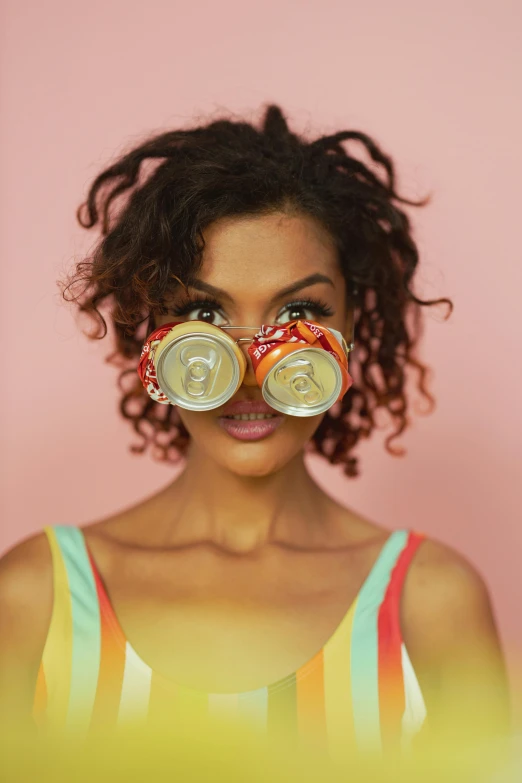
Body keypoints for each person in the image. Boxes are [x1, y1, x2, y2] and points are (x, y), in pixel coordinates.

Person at [0, 105, 509, 757]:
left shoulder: (431, 601)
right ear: (153, 334)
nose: (249, 371)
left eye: (299, 311)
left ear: (353, 326)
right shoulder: (34, 595)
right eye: (204, 311)